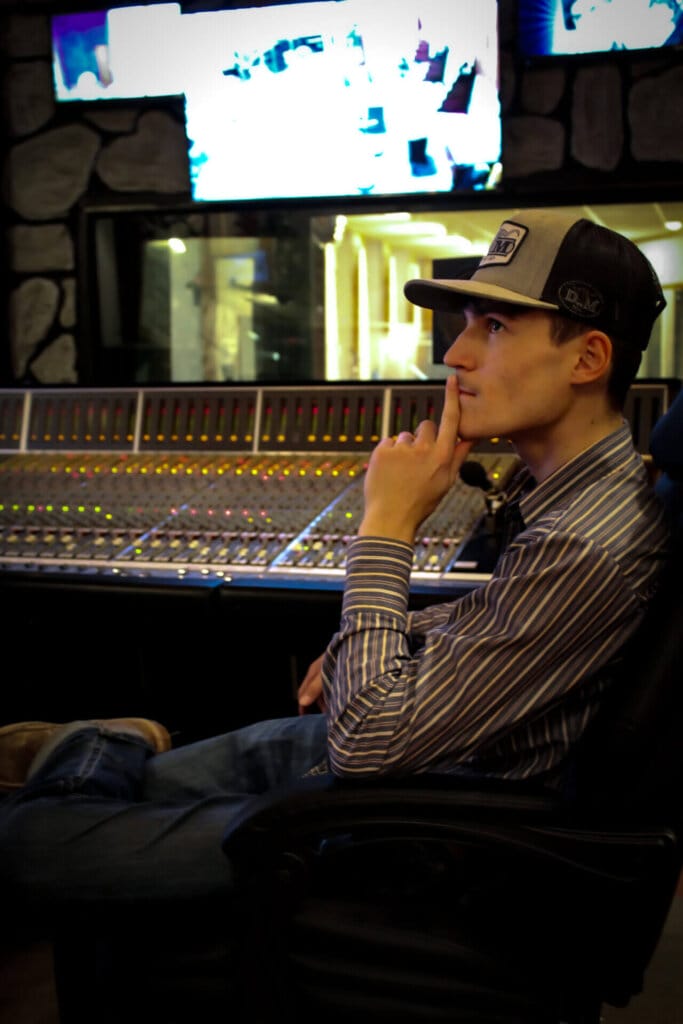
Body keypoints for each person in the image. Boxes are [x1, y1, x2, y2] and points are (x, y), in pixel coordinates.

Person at [0, 208, 671, 921]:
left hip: (416, 828)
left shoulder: (583, 542)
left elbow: (369, 741)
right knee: (118, 795)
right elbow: (517, 624)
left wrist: (387, 522)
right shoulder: (593, 495)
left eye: (494, 327)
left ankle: (89, 745)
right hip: (430, 765)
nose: (455, 355)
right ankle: (92, 754)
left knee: (28, 842)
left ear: (587, 358)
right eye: (468, 323)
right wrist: (405, 632)